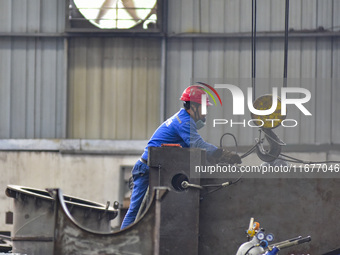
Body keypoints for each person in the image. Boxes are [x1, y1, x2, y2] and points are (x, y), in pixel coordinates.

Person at [120, 85, 241, 230]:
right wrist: (222, 154)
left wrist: (215, 160)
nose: (205, 112)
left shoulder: (183, 119)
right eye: (204, 107)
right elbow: (197, 143)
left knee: (143, 212)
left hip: (153, 168)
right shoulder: (184, 122)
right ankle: (122, 245)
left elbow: (193, 149)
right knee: (136, 211)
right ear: (194, 107)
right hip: (146, 169)